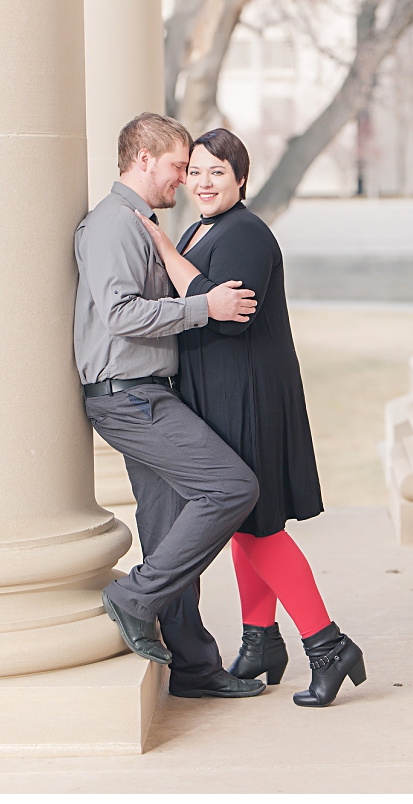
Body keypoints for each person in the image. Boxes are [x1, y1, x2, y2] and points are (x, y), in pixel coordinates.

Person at [136, 127, 366, 708]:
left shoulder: (247, 233)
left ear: (241, 179)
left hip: (250, 395)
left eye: (218, 171)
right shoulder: (200, 228)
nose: (204, 182)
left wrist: (164, 252)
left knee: (257, 524)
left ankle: (327, 645)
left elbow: (228, 311)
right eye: (196, 171)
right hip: (220, 392)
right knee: (244, 519)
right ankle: (261, 641)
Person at [74, 112, 266, 699]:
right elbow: (121, 314)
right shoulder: (111, 225)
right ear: (144, 159)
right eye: (179, 166)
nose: (184, 180)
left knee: (168, 533)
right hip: (129, 398)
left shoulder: (142, 223)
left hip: (148, 393)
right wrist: (206, 307)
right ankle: (132, 597)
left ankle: (193, 669)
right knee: (233, 488)